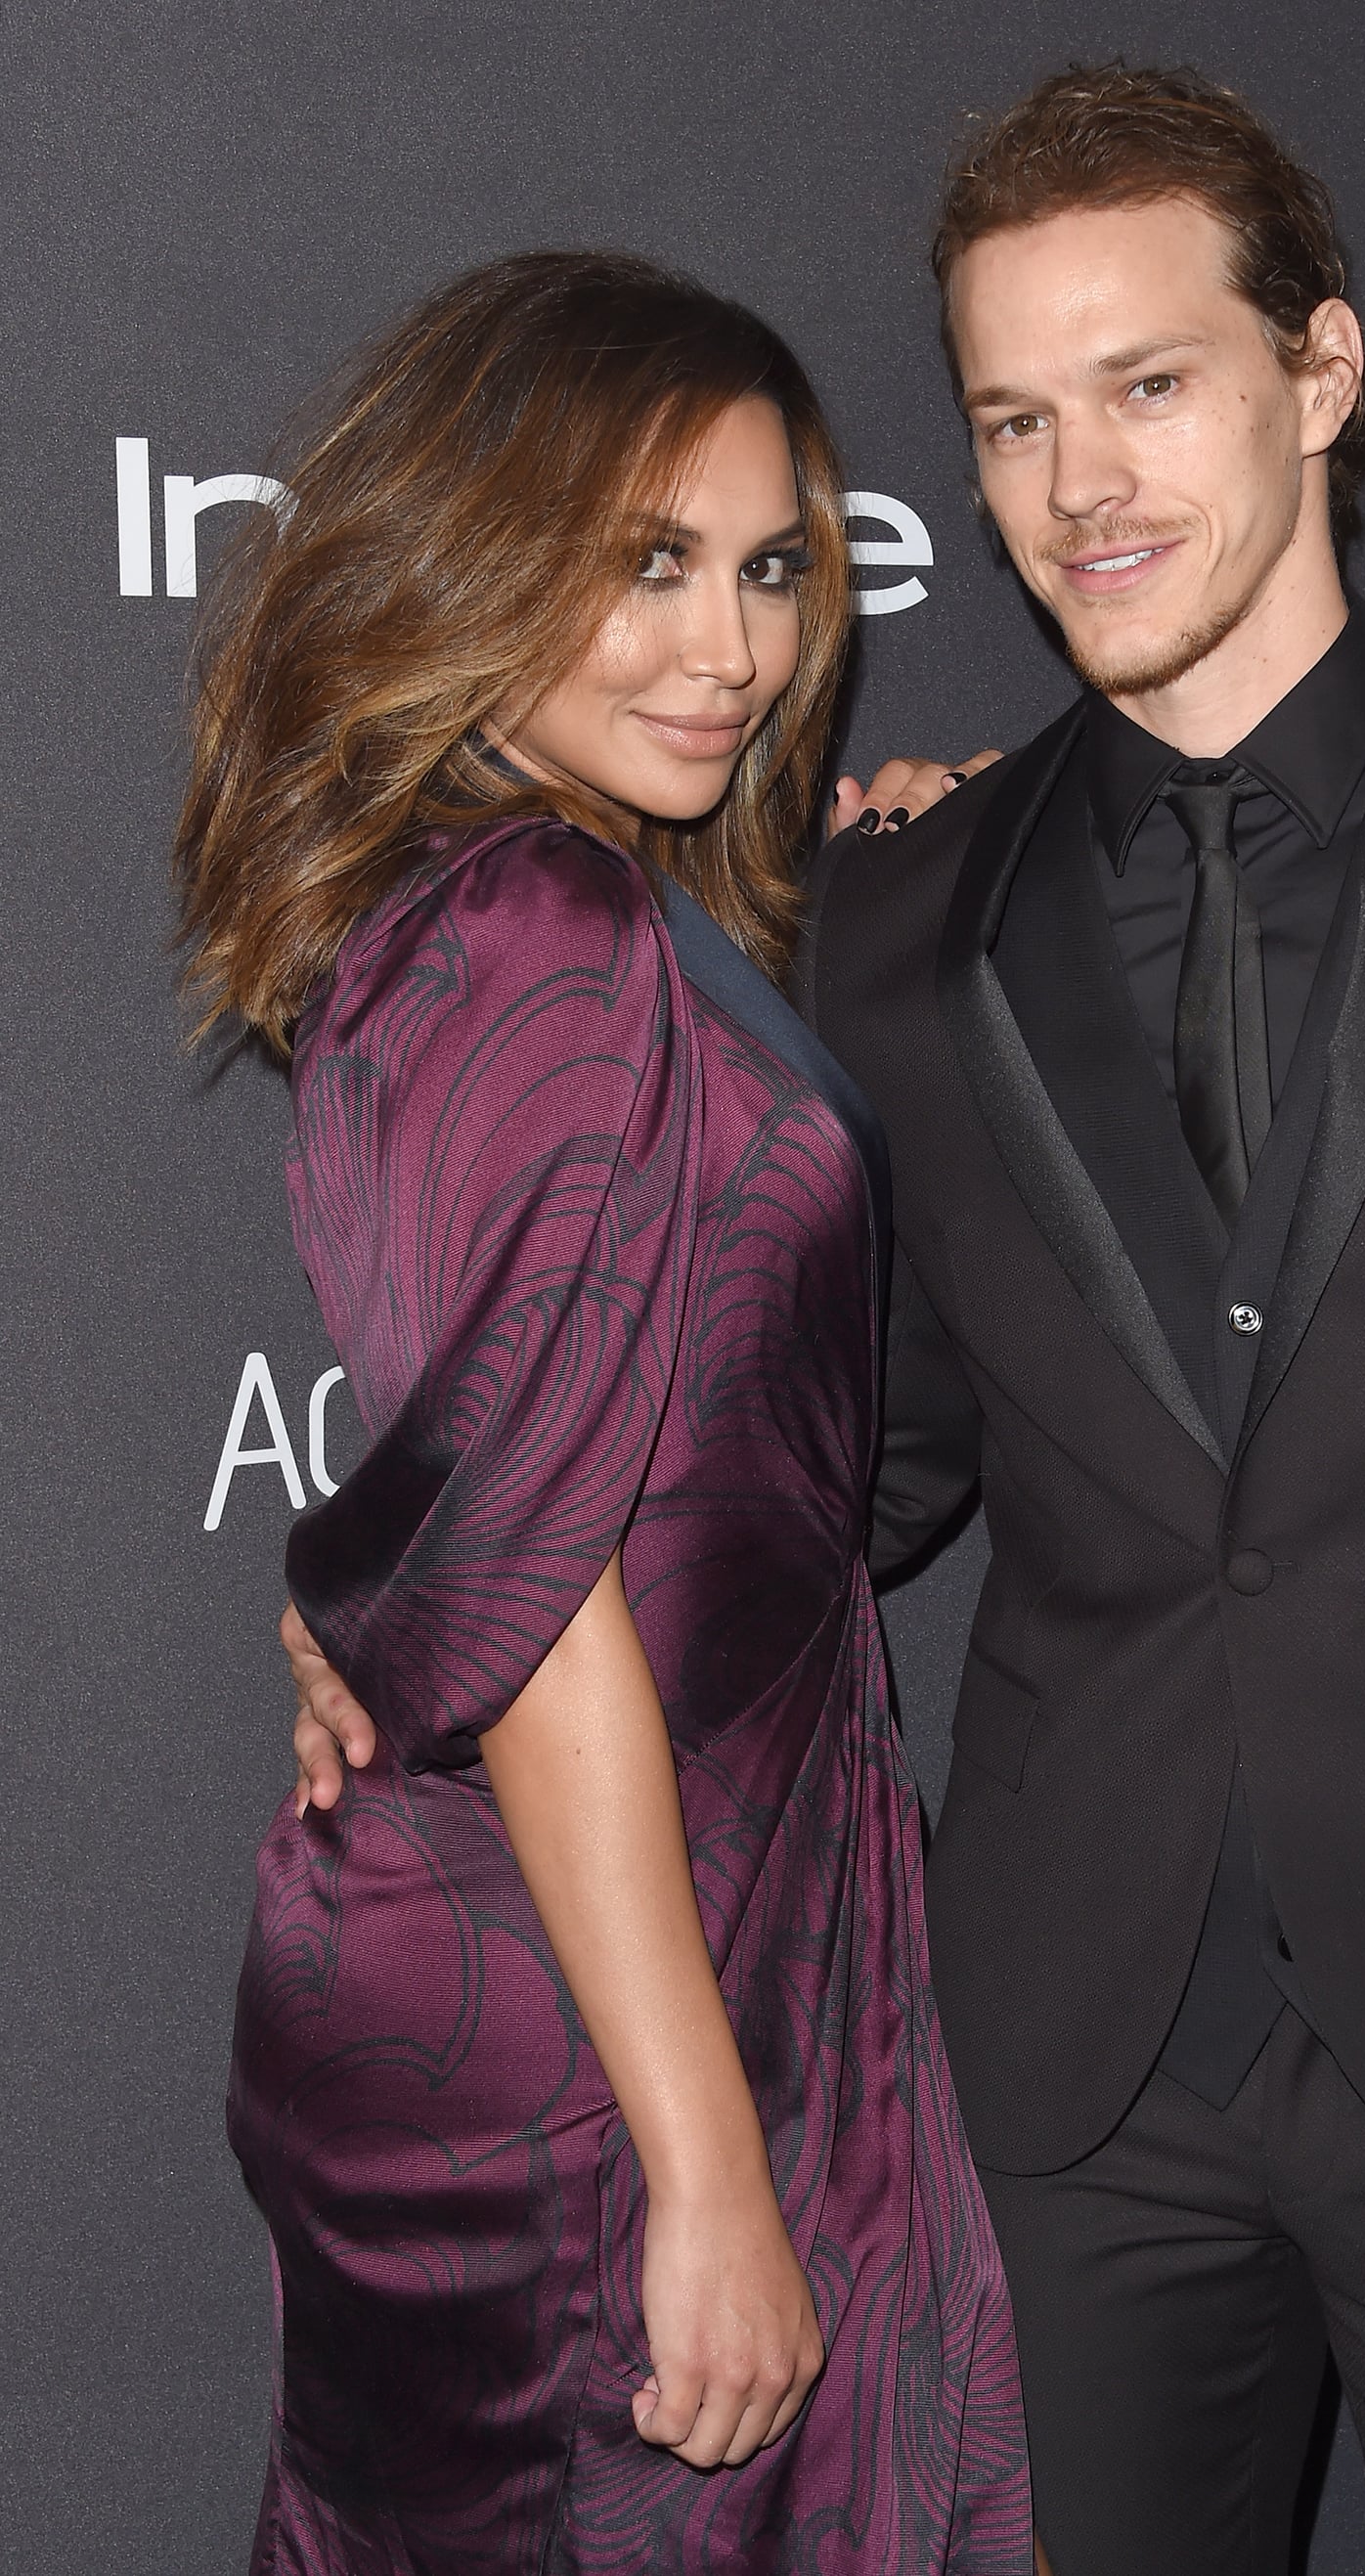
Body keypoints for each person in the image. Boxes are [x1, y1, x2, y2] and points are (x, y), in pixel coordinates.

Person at [289, 70, 1365, 2576]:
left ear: (1324, 373)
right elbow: (830, 1457)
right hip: (1055, 2087)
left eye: (1148, 387)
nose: (1083, 491)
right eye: (1014, 423)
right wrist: (430, 1606)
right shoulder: (894, 914)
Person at [182, 249, 1030, 2574]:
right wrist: (707, 2166)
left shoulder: (538, 908)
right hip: (585, 2031)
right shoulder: (537, 928)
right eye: (645, 563)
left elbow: (615, 1465)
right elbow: (543, 1601)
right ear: (477, 548)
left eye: (769, 571)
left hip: (648, 1937)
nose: (733, 651)